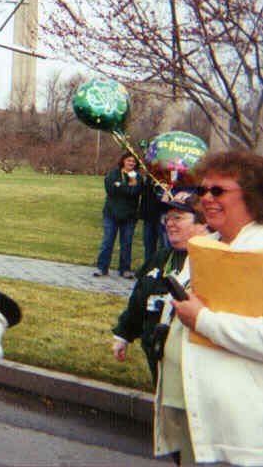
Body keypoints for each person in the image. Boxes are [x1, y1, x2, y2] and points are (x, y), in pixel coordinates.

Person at [153, 150, 263, 465]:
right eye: (203, 190)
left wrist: (202, 320)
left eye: (218, 191)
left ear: (252, 196)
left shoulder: (258, 252)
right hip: (192, 410)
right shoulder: (206, 245)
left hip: (238, 432)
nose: (207, 199)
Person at [110, 189, 208, 384]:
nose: (169, 223)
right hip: (158, 357)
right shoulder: (160, 258)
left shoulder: (211, 261)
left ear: (203, 223)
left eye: (178, 218)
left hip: (193, 366)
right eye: (167, 218)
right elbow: (139, 299)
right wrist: (124, 335)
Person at [94, 152, 143, 278]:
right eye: (129, 161)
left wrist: (121, 185)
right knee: (107, 241)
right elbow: (111, 190)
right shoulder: (113, 174)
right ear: (123, 161)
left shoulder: (138, 177)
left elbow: (134, 192)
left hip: (129, 216)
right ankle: (102, 268)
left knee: (126, 243)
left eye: (133, 162)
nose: (131, 163)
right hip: (111, 214)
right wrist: (126, 187)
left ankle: (125, 269)